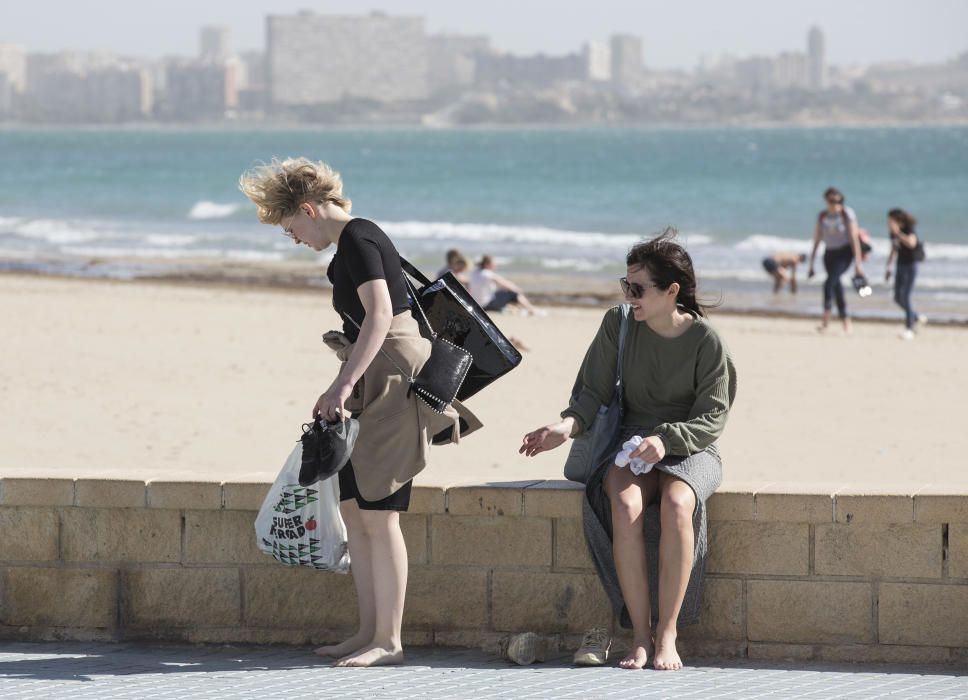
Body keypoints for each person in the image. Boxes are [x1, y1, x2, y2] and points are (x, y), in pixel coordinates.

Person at [239, 157, 480, 667]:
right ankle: (367, 630)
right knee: (356, 509)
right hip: (373, 374)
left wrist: (344, 383)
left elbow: (382, 314)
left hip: (392, 379)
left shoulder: (360, 237)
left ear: (307, 208)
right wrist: (348, 382)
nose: (293, 238)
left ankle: (389, 640)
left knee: (381, 513)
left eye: (290, 227)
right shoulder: (350, 245)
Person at [520, 230, 736, 672]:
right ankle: (640, 635)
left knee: (678, 503)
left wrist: (668, 440)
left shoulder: (707, 343)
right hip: (632, 442)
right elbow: (591, 394)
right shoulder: (617, 324)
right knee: (623, 504)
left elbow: (712, 418)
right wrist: (564, 427)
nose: (628, 296)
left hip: (691, 446)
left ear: (671, 291)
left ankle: (669, 633)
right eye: (626, 285)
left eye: (638, 289)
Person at [807, 187, 867, 333]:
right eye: (832, 201)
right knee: (836, 285)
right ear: (826, 201)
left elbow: (854, 238)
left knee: (829, 283)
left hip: (845, 253)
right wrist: (811, 262)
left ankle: (825, 319)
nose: (835, 204)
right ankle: (845, 320)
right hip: (829, 253)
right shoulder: (822, 216)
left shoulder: (847, 214)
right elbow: (817, 238)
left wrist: (858, 263)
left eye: (839, 201)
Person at [885, 208, 923, 340]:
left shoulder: (908, 228)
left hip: (911, 264)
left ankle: (909, 329)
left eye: (890, 220)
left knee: (906, 296)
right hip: (899, 265)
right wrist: (888, 267)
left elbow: (911, 243)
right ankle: (915, 316)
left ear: (897, 220)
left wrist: (899, 233)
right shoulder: (892, 233)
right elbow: (894, 248)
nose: (888, 223)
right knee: (897, 297)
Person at [468, 255, 541, 315]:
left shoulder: (474, 273)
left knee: (501, 294)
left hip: (476, 304)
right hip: (486, 304)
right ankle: (531, 310)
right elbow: (503, 282)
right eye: (493, 263)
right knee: (514, 294)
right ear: (487, 264)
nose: (495, 265)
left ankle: (517, 309)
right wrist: (516, 289)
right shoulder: (487, 273)